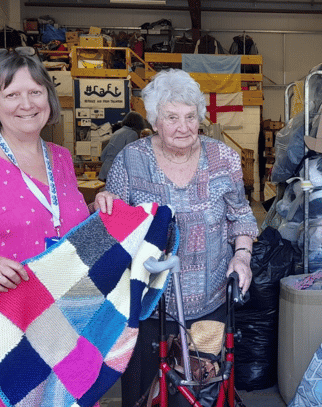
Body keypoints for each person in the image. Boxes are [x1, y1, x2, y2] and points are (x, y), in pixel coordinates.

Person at [95, 69, 259, 407]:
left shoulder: (223, 158)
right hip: (147, 304)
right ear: (155, 120)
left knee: (205, 391)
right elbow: (112, 224)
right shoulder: (131, 160)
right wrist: (102, 207)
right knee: (145, 393)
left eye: (190, 116)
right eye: (172, 117)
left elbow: (241, 217)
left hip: (211, 300)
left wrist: (241, 256)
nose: (183, 126)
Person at [0, 50, 109, 293]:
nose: (27, 104)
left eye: (35, 92)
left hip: (68, 306)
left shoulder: (61, 157)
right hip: (10, 316)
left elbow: (59, 219)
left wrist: (96, 210)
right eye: (12, 94)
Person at [97, 110, 146, 181]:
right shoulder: (132, 134)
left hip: (105, 171)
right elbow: (130, 156)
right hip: (117, 173)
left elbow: (103, 156)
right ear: (139, 123)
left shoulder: (117, 132)